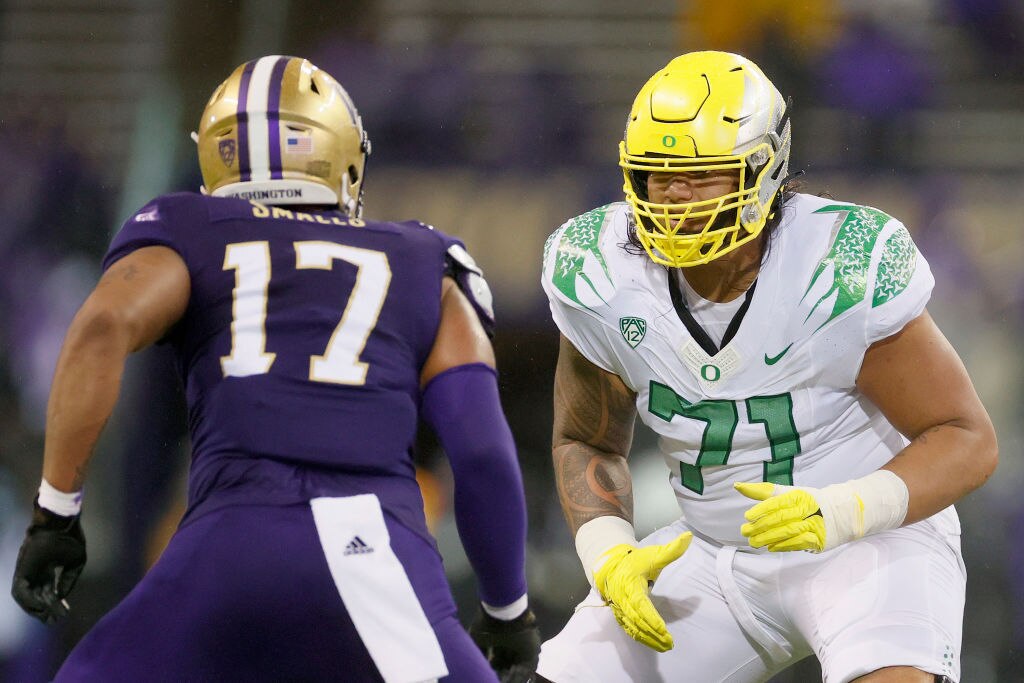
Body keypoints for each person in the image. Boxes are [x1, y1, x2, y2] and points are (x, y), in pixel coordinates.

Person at [11, 55, 540, 682]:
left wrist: (55, 514)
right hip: (368, 542)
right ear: (341, 153)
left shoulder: (187, 227)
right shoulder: (422, 258)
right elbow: (478, 448)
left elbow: (101, 326)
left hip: (224, 543)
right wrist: (508, 611)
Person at [534, 50, 996, 682]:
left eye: (701, 174)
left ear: (762, 170)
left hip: (868, 542)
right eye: (656, 173)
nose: (673, 194)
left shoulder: (841, 262)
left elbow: (966, 439)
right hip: (710, 554)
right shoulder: (599, 268)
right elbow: (584, 439)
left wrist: (844, 509)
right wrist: (607, 552)